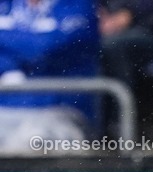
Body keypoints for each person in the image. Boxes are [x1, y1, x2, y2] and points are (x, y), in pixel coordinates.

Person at [0, 0, 99, 152]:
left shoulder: (78, 4)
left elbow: (43, 48)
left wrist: (7, 48)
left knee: (30, 141)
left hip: (60, 113)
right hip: (5, 111)